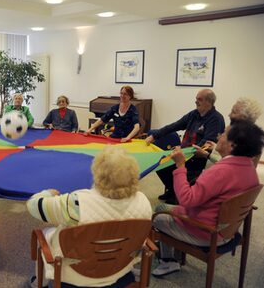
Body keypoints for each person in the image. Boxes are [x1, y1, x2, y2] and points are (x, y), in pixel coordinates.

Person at [151, 120, 264, 277]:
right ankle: (172, 252)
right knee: (165, 208)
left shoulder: (220, 171)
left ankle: (169, 261)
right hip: (227, 230)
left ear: (233, 145)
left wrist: (180, 165)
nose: (219, 135)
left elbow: (186, 199)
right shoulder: (250, 170)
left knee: (158, 213)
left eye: (224, 134)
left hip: (207, 232)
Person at [27, 147, 152, 287]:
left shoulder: (75, 203)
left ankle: (39, 282)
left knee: (45, 234)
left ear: (98, 173)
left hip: (76, 274)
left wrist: (48, 193)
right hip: (120, 269)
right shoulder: (144, 202)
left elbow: (33, 206)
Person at [145, 89, 225, 204]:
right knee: (160, 162)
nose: (196, 101)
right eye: (196, 98)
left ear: (209, 102)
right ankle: (172, 190)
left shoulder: (216, 119)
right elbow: (174, 126)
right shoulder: (194, 114)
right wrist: (154, 136)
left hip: (198, 158)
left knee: (169, 162)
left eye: (199, 99)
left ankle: (177, 193)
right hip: (186, 153)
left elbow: (208, 143)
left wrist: (182, 151)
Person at [193, 97, 262, 165]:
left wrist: (206, 155)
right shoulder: (240, 133)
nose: (229, 115)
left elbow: (234, 165)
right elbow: (230, 154)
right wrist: (215, 147)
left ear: (243, 117)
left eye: (233, 112)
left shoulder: (250, 140)